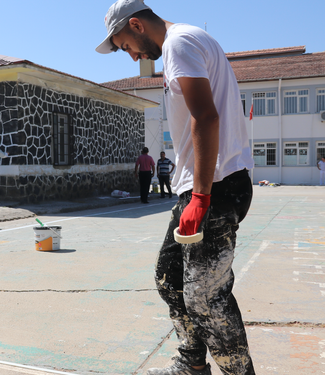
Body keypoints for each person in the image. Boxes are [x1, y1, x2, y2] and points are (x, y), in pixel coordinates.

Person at [97, 1, 256, 374]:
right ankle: (192, 365)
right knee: (170, 279)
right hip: (200, 185)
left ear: (136, 25)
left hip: (216, 185)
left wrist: (201, 196)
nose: (132, 56)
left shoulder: (178, 43)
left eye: (125, 47)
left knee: (205, 296)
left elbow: (205, 115)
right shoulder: (182, 43)